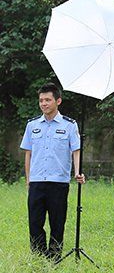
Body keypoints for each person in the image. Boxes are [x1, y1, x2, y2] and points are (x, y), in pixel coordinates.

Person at [20, 83, 85, 262]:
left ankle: (54, 258)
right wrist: (28, 180)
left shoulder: (70, 125)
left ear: (58, 101)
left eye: (48, 100)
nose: (44, 104)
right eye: (41, 100)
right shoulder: (32, 125)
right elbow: (28, 154)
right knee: (35, 222)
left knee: (57, 222)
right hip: (37, 181)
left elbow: (76, 151)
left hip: (58, 182)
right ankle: (39, 257)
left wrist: (78, 172)